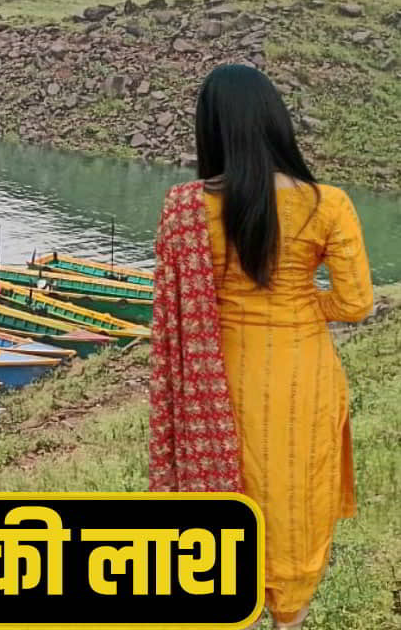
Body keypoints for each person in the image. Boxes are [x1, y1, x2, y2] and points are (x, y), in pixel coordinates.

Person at [150, 64, 373, 629]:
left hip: (215, 376)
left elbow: (176, 303)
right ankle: (289, 615)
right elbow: (355, 304)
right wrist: (298, 306)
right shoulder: (329, 204)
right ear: (277, 124)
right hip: (302, 371)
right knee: (294, 489)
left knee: (229, 489)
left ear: (213, 130)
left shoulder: (185, 206)